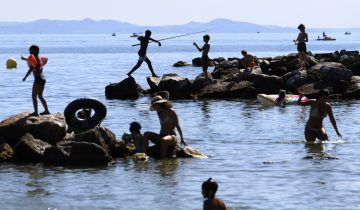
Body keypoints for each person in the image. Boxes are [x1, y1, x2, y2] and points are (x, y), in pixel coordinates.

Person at [21, 45, 50, 116]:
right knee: (40, 96)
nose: (29, 52)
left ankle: (36, 113)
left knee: (34, 96)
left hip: (38, 80)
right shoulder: (38, 58)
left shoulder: (35, 60)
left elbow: (31, 69)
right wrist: (25, 59)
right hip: (43, 79)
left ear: (32, 51)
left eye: (30, 50)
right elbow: (33, 62)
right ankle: (47, 111)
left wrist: (25, 77)